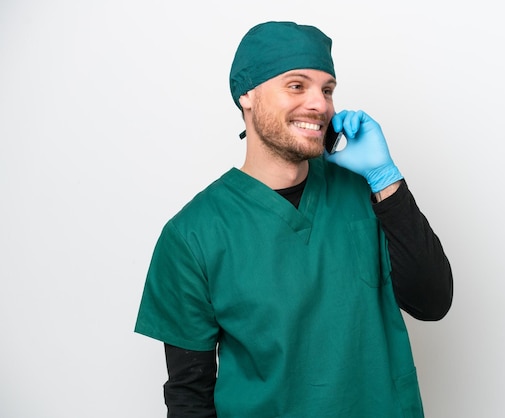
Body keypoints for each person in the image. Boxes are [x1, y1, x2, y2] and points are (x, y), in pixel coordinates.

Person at [135, 21, 453, 418]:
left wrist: (385, 179)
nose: (320, 104)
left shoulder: (366, 192)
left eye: (327, 89)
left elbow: (433, 302)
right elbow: (189, 396)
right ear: (246, 95)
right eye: (296, 85)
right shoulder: (193, 235)